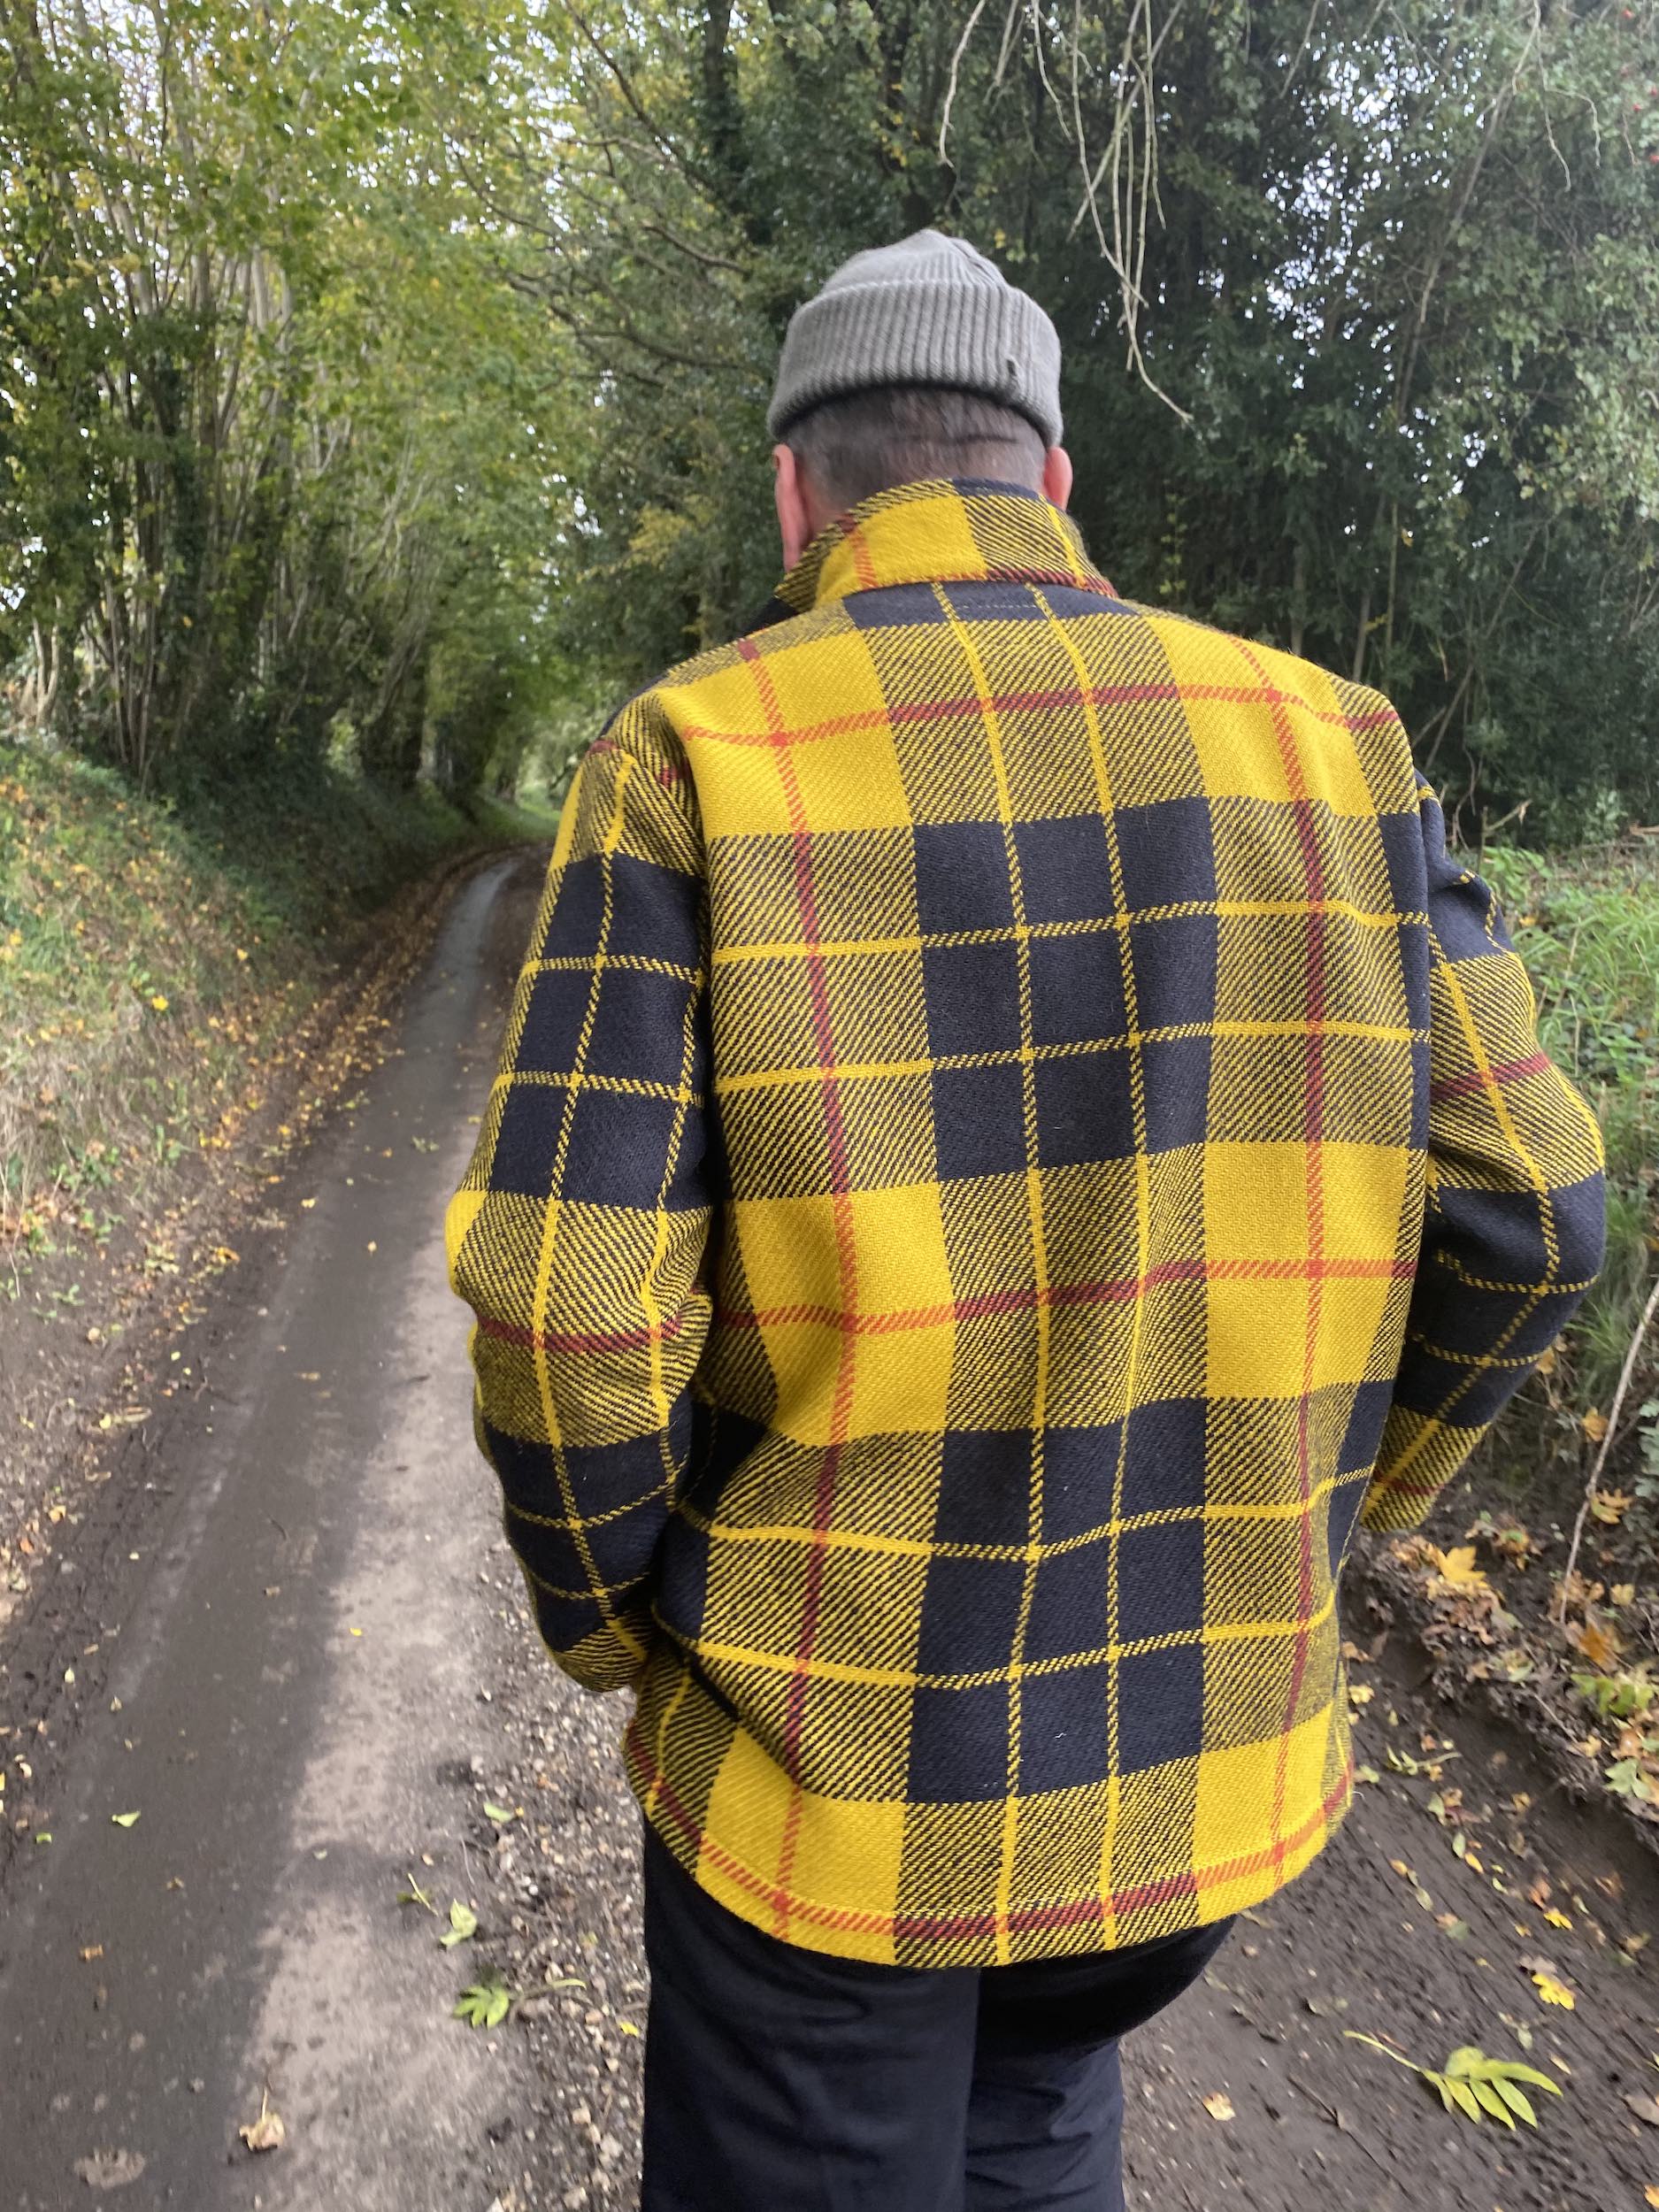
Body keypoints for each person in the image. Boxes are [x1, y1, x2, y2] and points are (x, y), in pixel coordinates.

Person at [445, 231, 1606, 2210]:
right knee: (1033, 2117)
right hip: (1185, 1793)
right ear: (1052, 480)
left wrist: (622, 1626)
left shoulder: (695, 755)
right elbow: (1532, 1204)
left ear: (797, 491)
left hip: (826, 1806)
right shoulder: (1339, 749)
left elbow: (569, 1309)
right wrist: (1330, 1509)